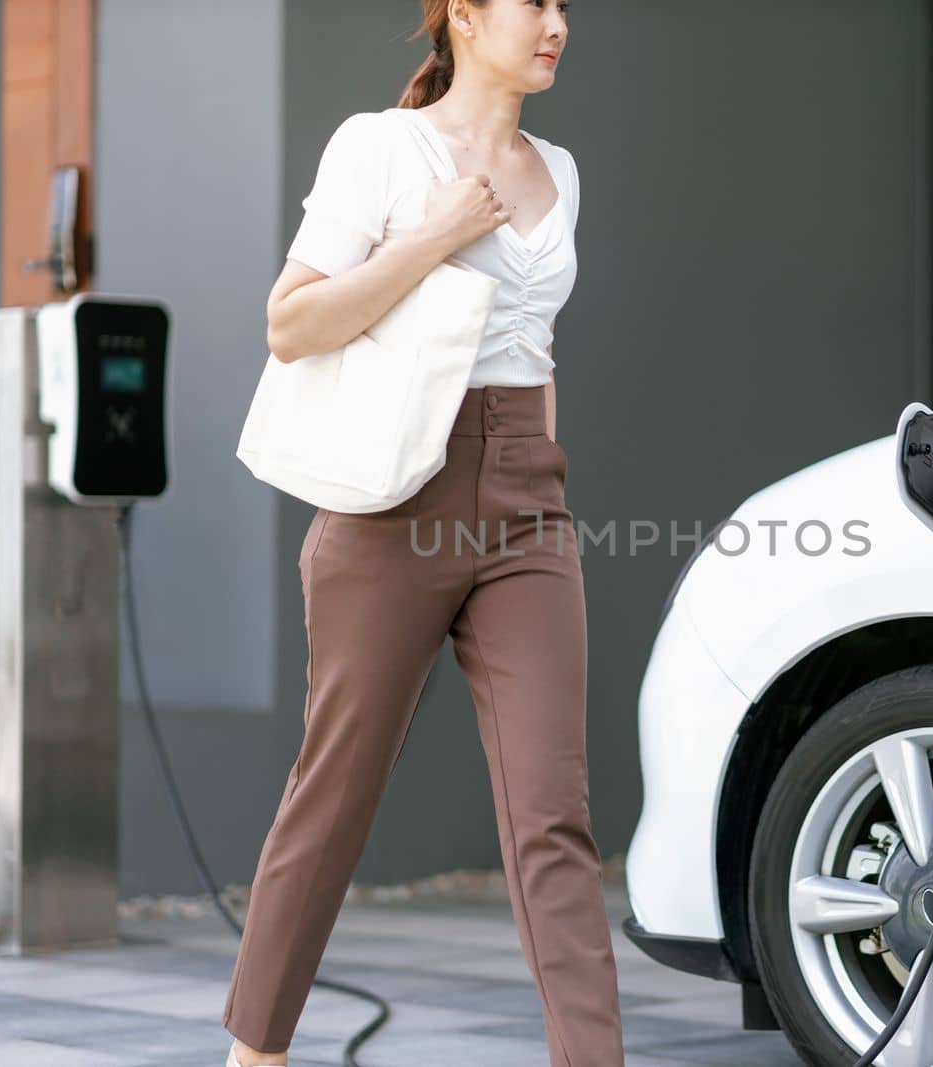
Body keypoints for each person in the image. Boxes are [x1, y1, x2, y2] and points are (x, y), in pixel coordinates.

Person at [222, 1, 622, 1064]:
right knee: (334, 796)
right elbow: (292, 322)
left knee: (554, 815)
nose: (555, 24)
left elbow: (537, 346)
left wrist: (543, 478)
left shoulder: (561, 170)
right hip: (395, 498)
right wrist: (436, 237)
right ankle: (253, 1053)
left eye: (564, 7)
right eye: (533, 2)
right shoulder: (379, 146)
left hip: (528, 497)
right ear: (463, 14)